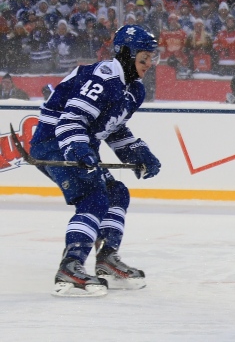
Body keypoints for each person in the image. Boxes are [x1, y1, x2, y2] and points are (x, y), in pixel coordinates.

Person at [28, 25, 162, 297]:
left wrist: (137, 151)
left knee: (116, 193)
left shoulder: (133, 90)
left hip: (79, 141)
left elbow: (112, 128)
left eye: (152, 58)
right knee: (94, 197)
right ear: (126, 54)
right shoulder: (104, 78)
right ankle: (70, 266)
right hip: (53, 141)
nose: (150, 64)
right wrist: (77, 147)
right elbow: (70, 120)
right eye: (144, 57)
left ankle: (106, 259)